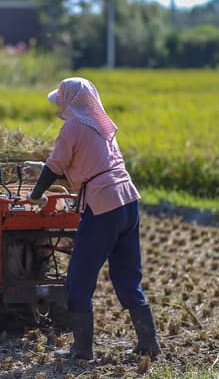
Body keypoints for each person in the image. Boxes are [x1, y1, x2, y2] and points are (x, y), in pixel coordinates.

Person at [25, 77, 160, 360]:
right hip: (128, 201)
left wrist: (36, 194)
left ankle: (82, 349)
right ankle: (149, 343)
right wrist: (46, 171)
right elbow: (90, 166)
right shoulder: (101, 125)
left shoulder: (72, 126)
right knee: (127, 277)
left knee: (78, 279)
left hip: (102, 206)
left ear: (69, 100)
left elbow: (55, 165)